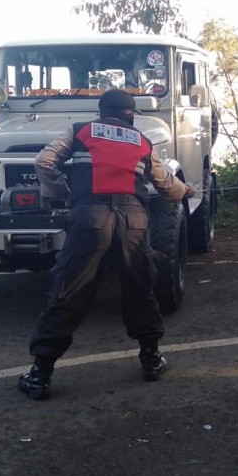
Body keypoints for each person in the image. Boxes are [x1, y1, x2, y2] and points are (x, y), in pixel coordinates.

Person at [19, 89, 194, 401]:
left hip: (90, 218)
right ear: (130, 115)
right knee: (140, 289)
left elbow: (44, 161)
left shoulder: (80, 131)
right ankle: (151, 360)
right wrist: (186, 191)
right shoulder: (142, 140)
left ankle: (39, 376)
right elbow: (166, 185)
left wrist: (64, 193)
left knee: (68, 292)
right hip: (134, 220)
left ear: (101, 112)